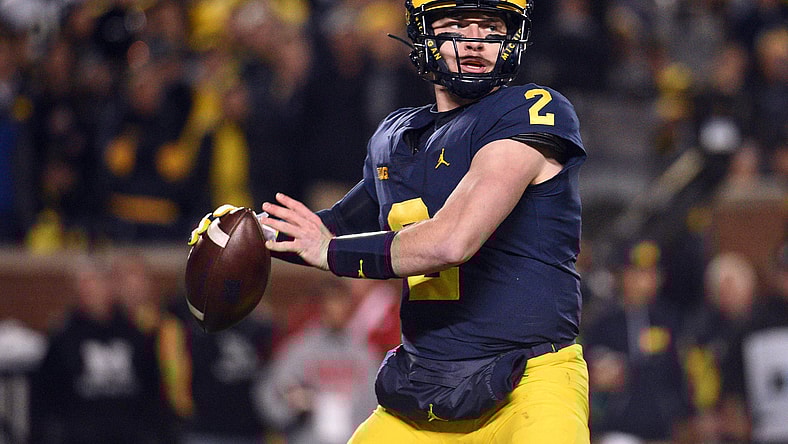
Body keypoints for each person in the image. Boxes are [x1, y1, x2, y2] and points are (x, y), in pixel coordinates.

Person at [254, 1, 590, 442]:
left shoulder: (531, 110)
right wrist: (250, 233)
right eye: (457, 26)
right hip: (423, 387)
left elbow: (452, 241)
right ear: (424, 36)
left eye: (491, 28)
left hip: (527, 383)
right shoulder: (397, 136)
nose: (476, 41)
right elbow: (332, 229)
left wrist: (329, 252)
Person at [583, 240, 694, 443]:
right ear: (622, 276)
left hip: (662, 429)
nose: (643, 282)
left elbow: (679, 375)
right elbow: (588, 368)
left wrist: (684, 416)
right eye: (636, 274)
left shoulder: (668, 319)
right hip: (617, 429)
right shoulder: (603, 321)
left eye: (650, 274)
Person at [255, 278, 379, 444]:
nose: (337, 311)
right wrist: (291, 407)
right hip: (308, 438)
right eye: (331, 303)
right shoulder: (300, 350)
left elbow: (376, 403)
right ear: (321, 307)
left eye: (341, 304)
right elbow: (269, 395)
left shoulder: (364, 353)